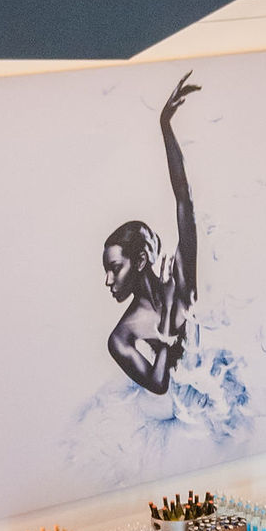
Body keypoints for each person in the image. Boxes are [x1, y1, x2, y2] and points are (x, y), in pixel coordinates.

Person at [103, 74, 199, 394]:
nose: (107, 279)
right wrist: (168, 331)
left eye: (114, 267)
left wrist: (165, 126)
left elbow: (183, 197)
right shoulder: (120, 337)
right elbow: (158, 385)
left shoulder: (179, 277)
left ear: (141, 258)